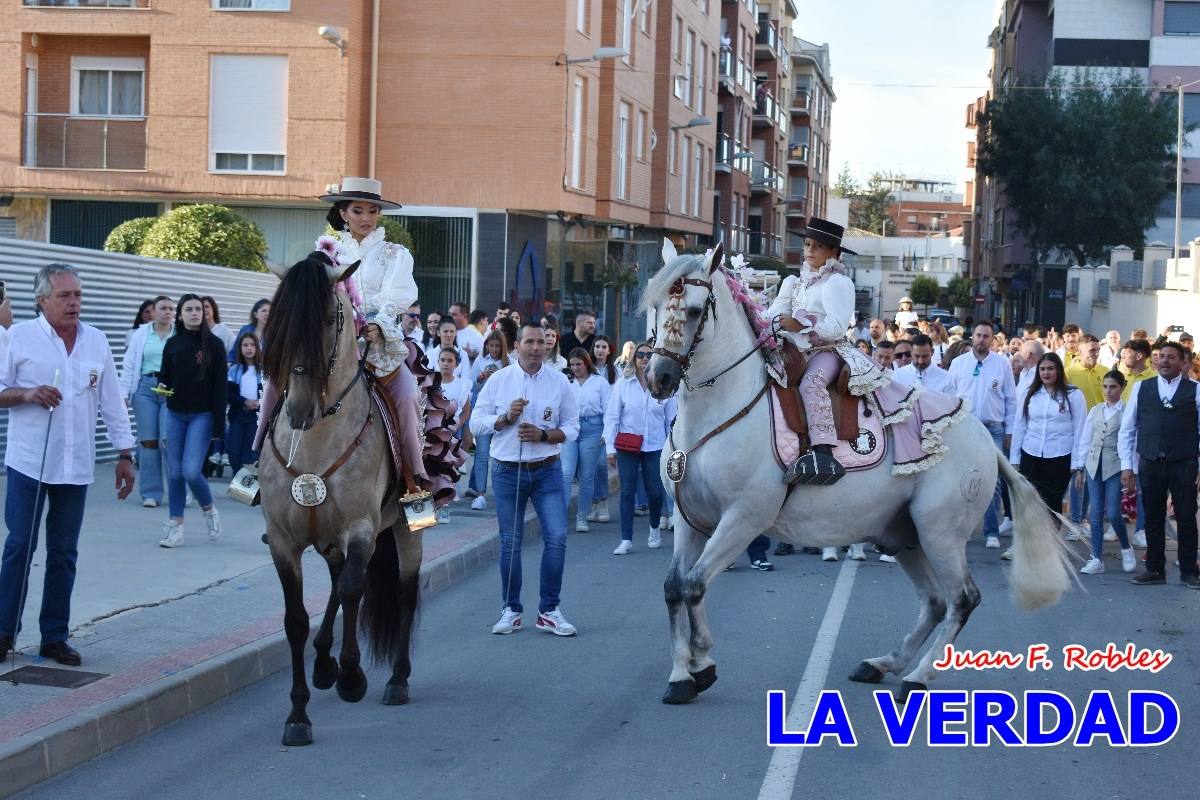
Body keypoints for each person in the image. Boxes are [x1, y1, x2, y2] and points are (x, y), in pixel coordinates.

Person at [0, 263, 136, 666]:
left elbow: (112, 401)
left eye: (78, 295)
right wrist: (26, 394)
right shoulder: (17, 338)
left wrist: (125, 454)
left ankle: (54, 637)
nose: (74, 302)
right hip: (28, 463)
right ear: (42, 300)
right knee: (19, 547)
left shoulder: (95, 341)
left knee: (64, 552)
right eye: (65, 296)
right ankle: (4, 632)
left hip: (76, 465)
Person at [470, 322, 579, 636]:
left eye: (541, 342)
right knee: (510, 542)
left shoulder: (560, 382)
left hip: (547, 470)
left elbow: (573, 427)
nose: (535, 348)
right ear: (515, 346)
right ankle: (511, 609)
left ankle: (549, 610)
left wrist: (545, 435)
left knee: (557, 537)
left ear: (547, 346)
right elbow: (476, 424)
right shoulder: (499, 381)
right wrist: (505, 419)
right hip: (507, 471)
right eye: (529, 342)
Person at [767, 218, 888, 485]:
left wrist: (799, 324)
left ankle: (823, 452)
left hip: (828, 351)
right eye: (808, 244)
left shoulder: (837, 283)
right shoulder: (793, 282)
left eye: (818, 246)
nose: (810, 251)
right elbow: (774, 312)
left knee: (812, 382)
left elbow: (835, 326)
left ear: (834, 252)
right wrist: (768, 321)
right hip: (792, 350)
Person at [1118, 341, 1200, 588]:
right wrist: (1127, 466)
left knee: (1186, 516)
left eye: (1171, 357)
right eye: (1161, 356)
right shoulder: (1142, 388)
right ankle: (1154, 569)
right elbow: (1127, 429)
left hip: (1183, 462)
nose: (1164, 361)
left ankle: (1189, 570)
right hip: (1150, 461)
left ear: (1182, 362)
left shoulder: (1195, 390)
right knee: (1152, 517)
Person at [158, 294, 227, 549]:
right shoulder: (173, 343)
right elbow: (165, 376)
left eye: (199, 309)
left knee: (189, 470)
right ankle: (175, 526)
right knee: (175, 472)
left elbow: (220, 388)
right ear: (180, 315)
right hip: (175, 413)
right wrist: (162, 385)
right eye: (189, 309)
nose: (195, 313)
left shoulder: (215, 346)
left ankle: (209, 509)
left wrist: (219, 426)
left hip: (202, 415)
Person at [949, 321, 1017, 549]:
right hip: (965, 427)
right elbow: (949, 396)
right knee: (960, 477)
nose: (981, 339)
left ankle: (991, 531)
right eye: (978, 335)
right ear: (972, 337)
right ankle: (961, 529)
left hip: (993, 428)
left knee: (993, 481)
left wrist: (1009, 430)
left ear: (992, 340)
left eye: (986, 336)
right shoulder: (958, 364)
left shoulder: (1003, 364)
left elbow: (1010, 399)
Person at [604, 344, 677, 554]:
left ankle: (654, 528)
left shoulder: (664, 386)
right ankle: (626, 538)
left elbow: (671, 419)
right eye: (641, 355)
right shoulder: (623, 384)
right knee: (627, 491)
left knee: (655, 492)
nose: (645, 358)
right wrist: (610, 448)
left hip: (655, 446)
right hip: (627, 445)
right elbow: (612, 417)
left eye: (649, 355)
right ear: (634, 359)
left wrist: (672, 448)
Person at [1009, 353, 1085, 524]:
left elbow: (1080, 430)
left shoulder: (1073, 394)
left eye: (1050, 368)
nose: (1046, 373)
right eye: (1042, 369)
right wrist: (1015, 457)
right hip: (1031, 453)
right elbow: (1020, 425)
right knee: (1028, 504)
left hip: (1060, 456)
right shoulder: (1030, 393)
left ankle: (1050, 547)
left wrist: (1077, 463)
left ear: (1058, 370)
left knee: (1052, 506)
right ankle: (1027, 547)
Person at [1077, 370, 1136, 575]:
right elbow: (1085, 440)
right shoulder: (1095, 410)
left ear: (1122, 387)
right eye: (1105, 386)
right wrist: (1079, 467)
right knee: (1095, 513)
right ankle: (1096, 558)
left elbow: (1131, 442)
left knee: (1112, 512)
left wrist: (1131, 470)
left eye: (1113, 387)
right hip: (1093, 464)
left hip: (1115, 466)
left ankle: (1126, 548)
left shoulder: (1127, 411)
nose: (1108, 391)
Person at [119, 295, 175, 509]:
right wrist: (123, 394)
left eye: (171, 308)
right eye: (163, 308)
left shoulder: (180, 333)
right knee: (148, 441)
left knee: (168, 440)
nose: (167, 312)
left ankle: (179, 491)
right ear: (154, 310)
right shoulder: (141, 334)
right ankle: (151, 493)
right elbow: (130, 365)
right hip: (145, 388)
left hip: (171, 390)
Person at [561, 348, 607, 532]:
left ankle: (582, 517)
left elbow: (608, 407)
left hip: (592, 429)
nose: (575, 368)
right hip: (571, 428)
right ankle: (561, 517)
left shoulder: (599, 382)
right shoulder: (566, 381)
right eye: (572, 365)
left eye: (578, 364)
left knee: (587, 476)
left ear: (587, 363)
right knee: (566, 473)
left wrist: (606, 433)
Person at [466, 329, 510, 509]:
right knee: (482, 454)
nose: (494, 349)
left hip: (502, 413)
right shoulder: (480, 360)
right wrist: (481, 377)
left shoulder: (510, 363)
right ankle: (480, 494)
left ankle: (506, 490)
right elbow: (472, 384)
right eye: (491, 345)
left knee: (504, 454)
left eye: (497, 346)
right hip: (483, 411)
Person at [434, 346, 473, 524]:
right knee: (431, 472)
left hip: (451, 433)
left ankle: (444, 509)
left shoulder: (462, 384)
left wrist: (457, 424)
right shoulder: (431, 382)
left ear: (456, 364)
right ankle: (429, 510)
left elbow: (466, 410)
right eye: (443, 360)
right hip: (432, 433)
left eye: (450, 361)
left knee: (448, 471)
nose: (446, 364)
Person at [588, 335, 618, 523]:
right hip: (587, 423)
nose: (599, 350)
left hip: (606, 422)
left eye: (603, 346)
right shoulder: (586, 369)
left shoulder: (615, 372)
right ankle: (592, 504)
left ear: (609, 350)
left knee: (601, 465)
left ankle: (603, 502)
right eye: (597, 346)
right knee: (588, 467)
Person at [226, 331, 262, 477]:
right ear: (240, 348)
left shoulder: (265, 371)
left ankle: (245, 485)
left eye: (252, 345)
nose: (249, 348)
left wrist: (259, 402)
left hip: (256, 416)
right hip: (238, 415)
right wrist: (244, 401)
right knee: (234, 450)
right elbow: (228, 394)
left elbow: (271, 394)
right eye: (245, 345)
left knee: (251, 451)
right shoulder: (234, 370)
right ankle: (237, 476)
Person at [229, 299, 270, 363]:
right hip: (244, 369)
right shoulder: (245, 330)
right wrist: (230, 363)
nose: (267, 314)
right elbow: (235, 351)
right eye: (264, 311)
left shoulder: (275, 334)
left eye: (270, 311)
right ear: (255, 314)